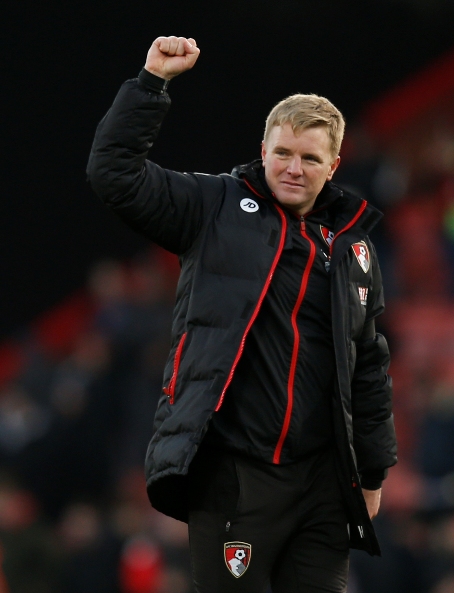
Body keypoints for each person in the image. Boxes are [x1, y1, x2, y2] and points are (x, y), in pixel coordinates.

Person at [86, 37, 397, 592]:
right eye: (283, 153)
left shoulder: (355, 249)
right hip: (236, 473)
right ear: (263, 148)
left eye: (309, 158)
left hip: (323, 485)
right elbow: (114, 174)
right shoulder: (215, 207)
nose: (293, 168)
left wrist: (371, 474)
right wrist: (151, 83)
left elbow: (367, 368)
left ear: (334, 166)